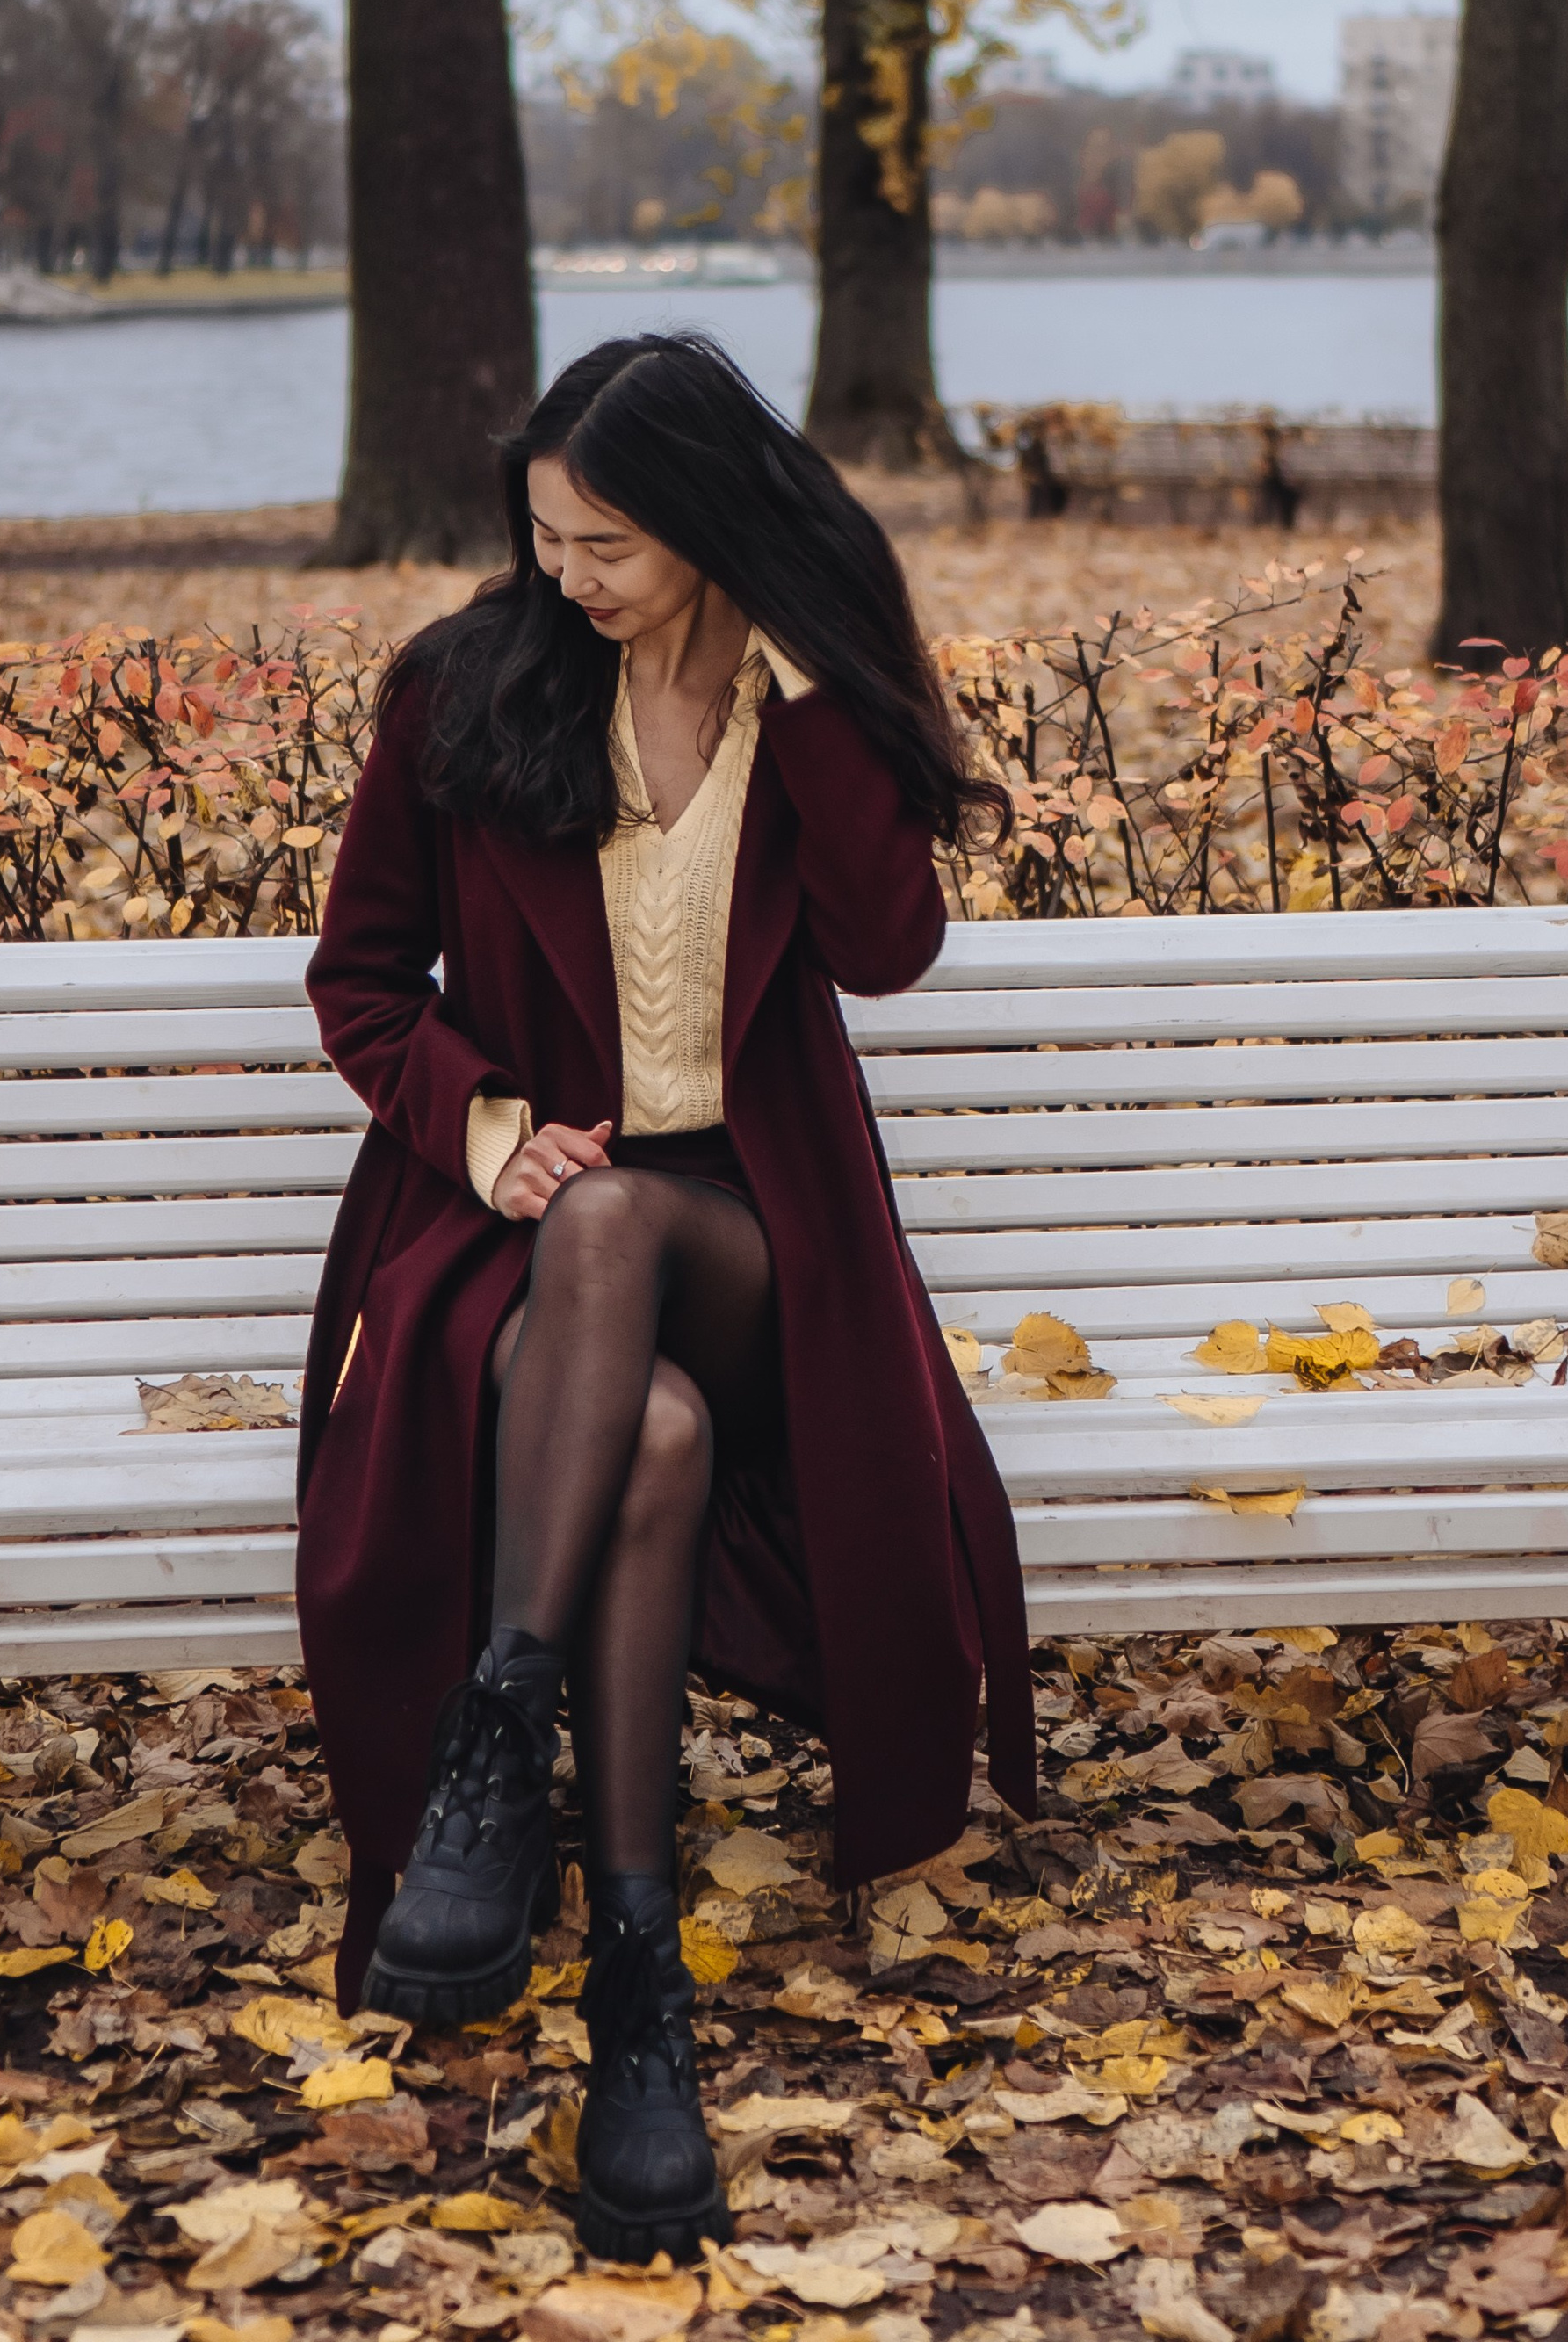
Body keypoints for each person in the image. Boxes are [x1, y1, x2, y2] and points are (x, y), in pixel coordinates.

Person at [296, 333, 1037, 2264]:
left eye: (606, 541)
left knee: (634, 1244)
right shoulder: (468, 688)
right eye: (543, 532)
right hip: (519, 1226)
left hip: (753, 1241)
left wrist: (806, 704)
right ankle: (640, 1982)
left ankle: (491, 1743)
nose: (566, 573)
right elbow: (365, 988)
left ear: (707, 528)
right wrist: (490, 1130)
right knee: (647, 1420)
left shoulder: (812, 695)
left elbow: (885, 952)